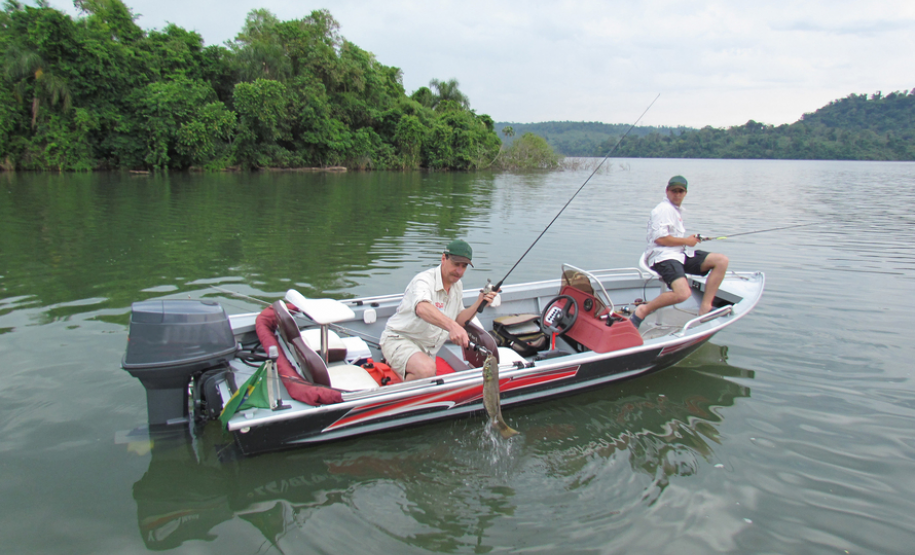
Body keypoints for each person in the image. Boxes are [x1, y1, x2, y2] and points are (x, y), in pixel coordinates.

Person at [380, 239, 498, 381]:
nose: (459, 271)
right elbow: (422, 308)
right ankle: (402, 391)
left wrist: (480, 302)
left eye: (464, 266)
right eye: (455, 264)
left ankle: (403, 369)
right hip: (398, 340)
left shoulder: (457, 285)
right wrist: (452, 326)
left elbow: (459, 319)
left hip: (426, 351)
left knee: (428, 368)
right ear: (443, 258)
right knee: (427, 369)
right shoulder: (423, 280)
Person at [630, 175, 729, 329]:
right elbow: (660, 239)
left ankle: (705, 309)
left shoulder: (675, 210)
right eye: (674, 191)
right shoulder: (663, 210)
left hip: (679, 255)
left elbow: (674, 237)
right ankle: (643, 310)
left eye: (680, 191)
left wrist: (691, 240)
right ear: (667, 191)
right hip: (662, 257)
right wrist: (687, 241)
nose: (677, 194)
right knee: (683, 293)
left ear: (685, 193)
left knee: (721, 261)